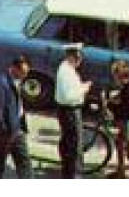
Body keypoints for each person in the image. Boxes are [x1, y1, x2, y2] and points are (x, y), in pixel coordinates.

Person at [0, 55, 32, 178]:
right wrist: (2, 133)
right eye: (23, 72)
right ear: (13, 68)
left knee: (24, 163)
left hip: (18, 129)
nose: (25, 76)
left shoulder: (18, 80)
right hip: (6, 132)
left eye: (26, 73)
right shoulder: (1, 83)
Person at [54, 44, 90, 178]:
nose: (79, 59)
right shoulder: (66, 72)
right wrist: (84, 89)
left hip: (67, 111)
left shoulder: (68, 69)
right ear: (69, 56)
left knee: (68, 144)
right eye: (77, 56)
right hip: (70, 111)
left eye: (80, 56)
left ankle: (69, 173)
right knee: (74, 147)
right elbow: (69, 96)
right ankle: (74, 176)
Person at [104, 58, 129, 179]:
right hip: (127, 122)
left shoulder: (128, 90)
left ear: (119, 75)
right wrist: (113, 99)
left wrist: (110, 105)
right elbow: (123, 100)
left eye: (114, 75)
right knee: (119, 145)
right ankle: (120, 173)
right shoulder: (127, 86)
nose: (114, 78)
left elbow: (124, 110)